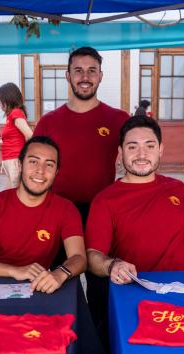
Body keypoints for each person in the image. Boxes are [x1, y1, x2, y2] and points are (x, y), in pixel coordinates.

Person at [0, 136, 86, 294]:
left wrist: (60, 273)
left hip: (34, 288)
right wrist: (15, 271)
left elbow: (79, 257)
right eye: (33, 161)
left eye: (49, 164)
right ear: (20, 164)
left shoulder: (66, 209)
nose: (40, 171)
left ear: (56, 172)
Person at [86, 115, 184, 285]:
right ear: (121, 152)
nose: (142, 154)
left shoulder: (178, 188)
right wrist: (112, 265)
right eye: (132, 147)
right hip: (137, 290)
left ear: (160, 150)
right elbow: (93, 255)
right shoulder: (105, 200)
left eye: (150, 146)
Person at [34, 46, 129, 222]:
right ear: (68, 76)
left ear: (100, 76)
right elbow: (31, 169)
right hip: (57, 213)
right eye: (78, 71)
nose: (85, 77)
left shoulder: (119, 119)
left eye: (91, 71)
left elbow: (139, 162)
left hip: (102, 212)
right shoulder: (48, 122)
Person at [0, 82, 33, 190]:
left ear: (8, 99)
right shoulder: (11, 116)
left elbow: (30, 135)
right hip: (9, 160)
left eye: (0, 99)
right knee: (8, 195)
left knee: (13, 196)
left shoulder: (16, 113)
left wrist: (24, 157)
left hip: (14, 160)